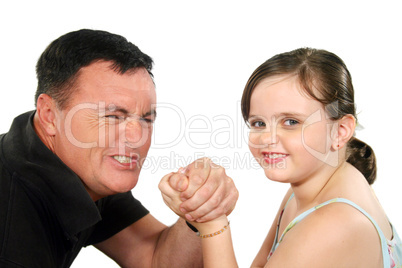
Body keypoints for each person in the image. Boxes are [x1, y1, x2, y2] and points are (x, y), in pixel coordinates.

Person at [0, 29, 239, 267]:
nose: (137, 137)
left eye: (146, 118)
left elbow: (155, 260)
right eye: (113, 116)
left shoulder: (82, 169)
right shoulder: (11, 225)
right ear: (50, 115)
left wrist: (199, 209)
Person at [160, 48, 402, 267]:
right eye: (258, 123)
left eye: (291, 122)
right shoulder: (311, 189)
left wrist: (212, 223)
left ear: (340, 131)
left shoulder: (335, 222)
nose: (267, 138)